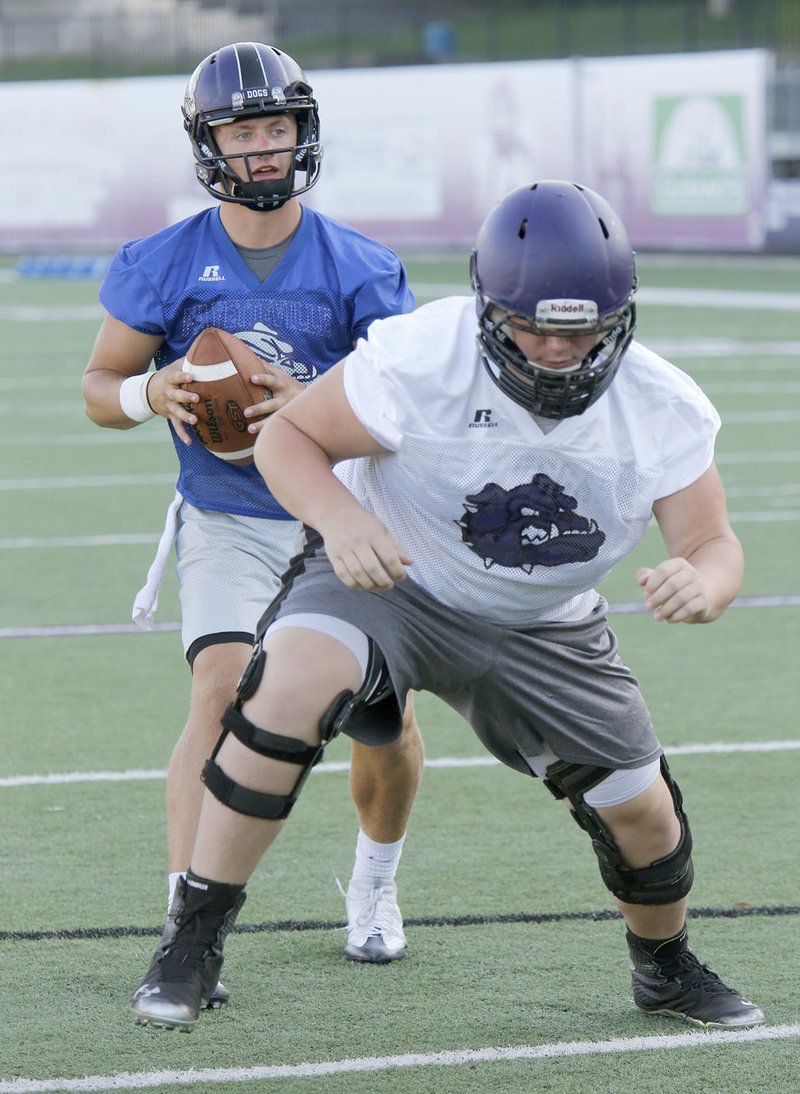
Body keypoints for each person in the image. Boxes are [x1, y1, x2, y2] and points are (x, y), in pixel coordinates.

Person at [130, 179, 765, 1034]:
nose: (551, 348)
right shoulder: (424, 353)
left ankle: (664, 966)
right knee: (282, 687)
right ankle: (191, 939)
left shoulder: (661, 404)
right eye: (531, 324)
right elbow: (288, 436)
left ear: (617, 319)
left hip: (545, 623)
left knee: (642, 810)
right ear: (487, 307)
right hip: (398, 582)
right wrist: (341, 518)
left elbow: (712, 542)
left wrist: (707, 580)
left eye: (575, 329)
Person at [81, 42, 424, 996]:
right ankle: (187, 918)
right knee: (220, 692)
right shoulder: (163, 263)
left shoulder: (362, 266)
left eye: (279, 128)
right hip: (227, 515)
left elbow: (408, 415)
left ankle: (374, 886)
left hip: (341, 513)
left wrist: (309, 400)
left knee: (383, 729)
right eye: (245, 130)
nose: (265, 148)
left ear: (301, 135)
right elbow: (98, 387)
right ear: (210, 143)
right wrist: (155, 392)